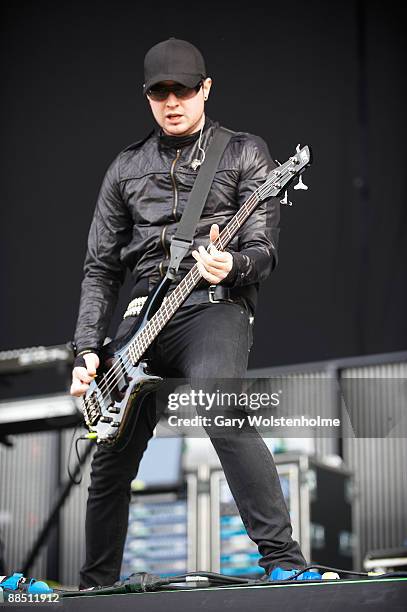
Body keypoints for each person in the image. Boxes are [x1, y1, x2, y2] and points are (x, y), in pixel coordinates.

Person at [70, 37, 311, 588]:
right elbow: (100, 269)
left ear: (205, 89)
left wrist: (234, 266)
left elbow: (263, 249)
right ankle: (95, 585)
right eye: (160, 93)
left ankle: (283, 562)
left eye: (182, 90)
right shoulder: (125, 167)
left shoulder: (245, 152)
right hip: (142, 315)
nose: (172, 102)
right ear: (148, 98)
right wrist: (87, 347)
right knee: (111, 451)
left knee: (220, 406)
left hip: (212, 304)